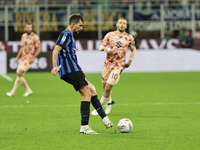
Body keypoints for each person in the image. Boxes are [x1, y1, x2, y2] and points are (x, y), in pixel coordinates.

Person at [51, 13, 113, 134]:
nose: (81, 28)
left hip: (75, 69)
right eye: (80, 25)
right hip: (70, 70)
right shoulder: (66, 34)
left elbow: (70, 55)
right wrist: (54, 66)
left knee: (93, 90)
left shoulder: (70, 36)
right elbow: (56, 50)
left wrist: (79, 69)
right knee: (86, 94)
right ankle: (84, 127)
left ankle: (105, 120)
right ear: (73, 24)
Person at [91, 18, 136, 115]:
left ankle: (99, 107)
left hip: (118, 66)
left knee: (108, 87)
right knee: (104, 86)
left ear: (126, 26)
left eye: (124, 23)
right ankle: (110, 101)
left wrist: (130, 61)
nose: (122, 25)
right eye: (120, 23)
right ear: (116, 24)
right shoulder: (110, 35)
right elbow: (100, 47)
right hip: (107, 64)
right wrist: (106, 49)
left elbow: (133, 50)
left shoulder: (129, 38)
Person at [6, 23, 41, 97]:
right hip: (23, 58)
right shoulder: (23, 36)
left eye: (30, 27)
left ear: (32, 28)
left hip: (29, 58)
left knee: (19, 74)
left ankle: (13, 91)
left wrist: (33, 57)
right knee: (18, 75)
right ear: (25, 28)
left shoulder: (35, 37)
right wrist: (17, 57)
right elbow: (22, 48)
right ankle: (27, 90)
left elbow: (39, 48)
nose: (29, 29)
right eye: (28, 27)